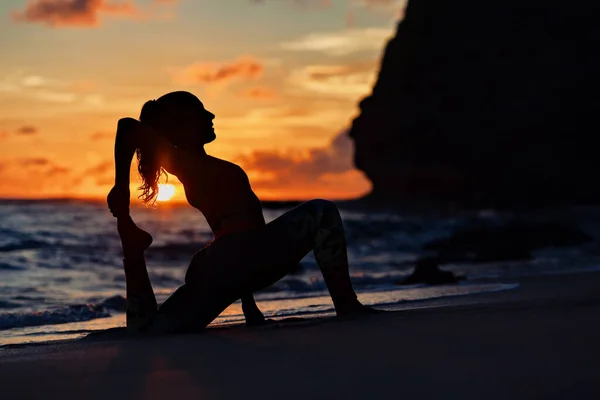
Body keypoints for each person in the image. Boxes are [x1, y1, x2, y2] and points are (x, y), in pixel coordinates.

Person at [107, 91, 376, 333]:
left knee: (153, 329)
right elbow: (127, 127)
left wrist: (250, 307)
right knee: (321, 212)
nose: (211, 115)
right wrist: (121, 189)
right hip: (237, 258)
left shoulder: (197, 165)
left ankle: (133, 254)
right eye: (201, 112)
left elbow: (240, 230)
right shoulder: (184, 160)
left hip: (227, 264)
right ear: (182, 127)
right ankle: (347, 304)